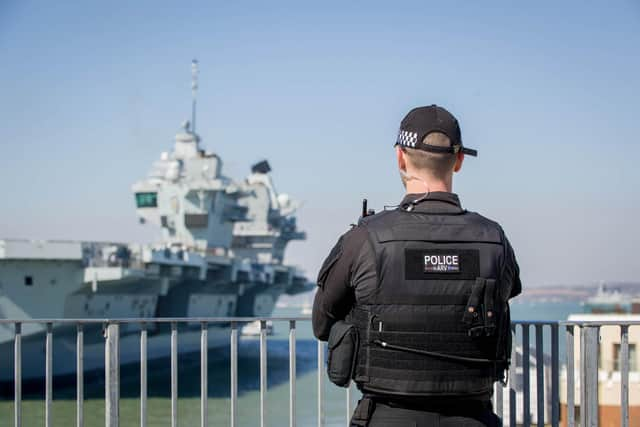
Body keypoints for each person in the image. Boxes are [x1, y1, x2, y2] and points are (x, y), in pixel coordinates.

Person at [312, 105, 521, 426]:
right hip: (474, 417)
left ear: (400, 158)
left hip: (387, 415)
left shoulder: (365, 238)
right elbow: (507, 293)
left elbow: (322, 323)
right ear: (459, 161)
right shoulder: (494, 238)